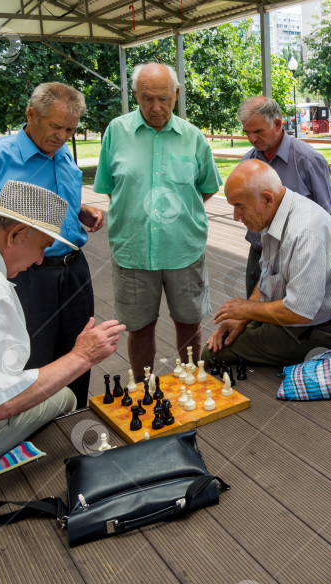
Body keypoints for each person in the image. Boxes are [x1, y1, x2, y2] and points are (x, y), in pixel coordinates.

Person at [0, 181, 125, 466]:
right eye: (42, 247)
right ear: (16, 234)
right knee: (64, 397)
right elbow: (2, 404)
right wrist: (82, 356)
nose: (40, 260)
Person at [0, 82, 104, 409]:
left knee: (78, 352)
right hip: (24, 275)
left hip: (74, 269)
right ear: (32, 114)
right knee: (29, 357)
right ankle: (31, 437)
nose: (62, 137)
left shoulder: (64, 158)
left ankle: (73, 420)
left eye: (71, 130)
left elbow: (46, 203)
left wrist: (79, 210)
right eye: (55, 126)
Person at [94, 63, 222, 382]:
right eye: (147, 98)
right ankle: (143, 387)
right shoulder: (116, 133)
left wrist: (176, 219)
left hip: (184, 251)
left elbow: (206, 189)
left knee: (190, 324)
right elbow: (112, 190)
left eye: (163, 98)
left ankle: (191, 383)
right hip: (133, 252)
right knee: (138, 329)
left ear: (176, 95)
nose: (155, 107)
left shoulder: (193, 138)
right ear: (135, 95)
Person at [202, 160, 331, 366]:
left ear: (267, 198)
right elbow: (268, 275)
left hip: (321, 332)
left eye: (240, 206)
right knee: (226, 336)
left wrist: (246, 310)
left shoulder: (305, 233)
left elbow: (300, 312)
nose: (236, 217)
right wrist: (242, 319)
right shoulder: (276, 211)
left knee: (212, 355)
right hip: (297, 319)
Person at [237, 97, 331, 297]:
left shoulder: (308, 160)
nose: (252, 139)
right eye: (247, 132)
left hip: (298, 259)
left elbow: (329, 214)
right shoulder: (247, 162)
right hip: (258, 255)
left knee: (293, 320)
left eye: (258, 131)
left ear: (277, 124)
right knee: (252, 320)